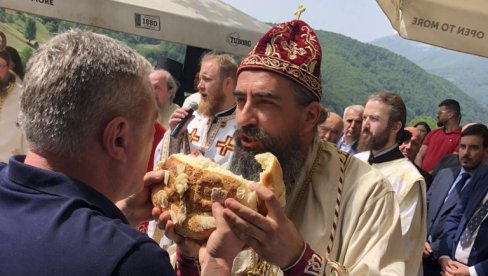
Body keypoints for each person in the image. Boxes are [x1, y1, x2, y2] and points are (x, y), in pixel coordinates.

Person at [158, 19, 405, 275]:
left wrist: (297, 259)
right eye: (241, 100)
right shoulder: (231, 173)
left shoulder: (368, 193)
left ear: (309, 116)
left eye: (265, 103)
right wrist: (189, 255)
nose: (244, 118)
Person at [0, 30, 176, 275]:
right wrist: (217, 262)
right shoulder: (132, 260)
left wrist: (120, 215)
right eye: (150, 127)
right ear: (118, 138)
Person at [355, 92, 426, 275]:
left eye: (374, 119)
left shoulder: (409, 179)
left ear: (395, 127)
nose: (366, 125)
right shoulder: (355, 160)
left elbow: (400, 243)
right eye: (365, 118)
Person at [424, 123, 488, 275]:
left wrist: (473, 271)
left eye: (474, 148)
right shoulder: (445, 174)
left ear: (486, 150)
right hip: (441, 260)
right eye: (463, 146)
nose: (466, 153)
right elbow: (454, 216)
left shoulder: (479, 176)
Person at [155, 53, 238, 166]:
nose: (199, 85)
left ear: (228, 83)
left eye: (206, 79)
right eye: (199, 79)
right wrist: (174, 135)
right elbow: (162, 163)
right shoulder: (191, 118)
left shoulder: (243, 130)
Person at [416, 99, 462, 173]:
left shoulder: (461, 137)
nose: (437, 116)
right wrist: (420, 173)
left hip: (440, 180)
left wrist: (431, 175)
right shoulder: (433, 133)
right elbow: (419, 155)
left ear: (450, 115)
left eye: (440, 113)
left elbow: (451, 163)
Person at [0, 48, 27, 162]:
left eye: (0, 65)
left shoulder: (22, 97)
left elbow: (27, 140)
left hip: (6, 168)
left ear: (9, 67)